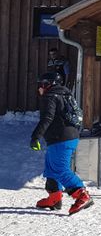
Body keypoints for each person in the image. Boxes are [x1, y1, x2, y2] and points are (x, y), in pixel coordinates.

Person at [30, 72, 93, 215]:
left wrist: (35, 137)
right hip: (67, 137)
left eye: (40, 84)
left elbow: (47, 118)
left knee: (60, 169)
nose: (38, 88)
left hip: (61, 138)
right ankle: (54, 198)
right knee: (51, 168)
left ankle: (82, 195)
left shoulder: (50, 96)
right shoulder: (66, 95)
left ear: (47, 84)